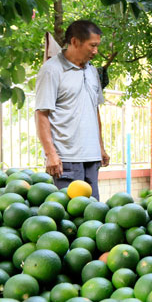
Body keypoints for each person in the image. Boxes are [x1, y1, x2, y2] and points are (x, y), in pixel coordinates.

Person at [35, 20, 110, 199]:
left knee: (93, 216)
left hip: (91, 159)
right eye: (92, 45)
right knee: (71, 218)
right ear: (75, 42)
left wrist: (100, 147)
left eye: (97, 46)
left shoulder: (92, 72)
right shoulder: (51, 70)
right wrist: (51, 154)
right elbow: (42, 114)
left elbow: (94, 110)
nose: (95, 51)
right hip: (66, 160)